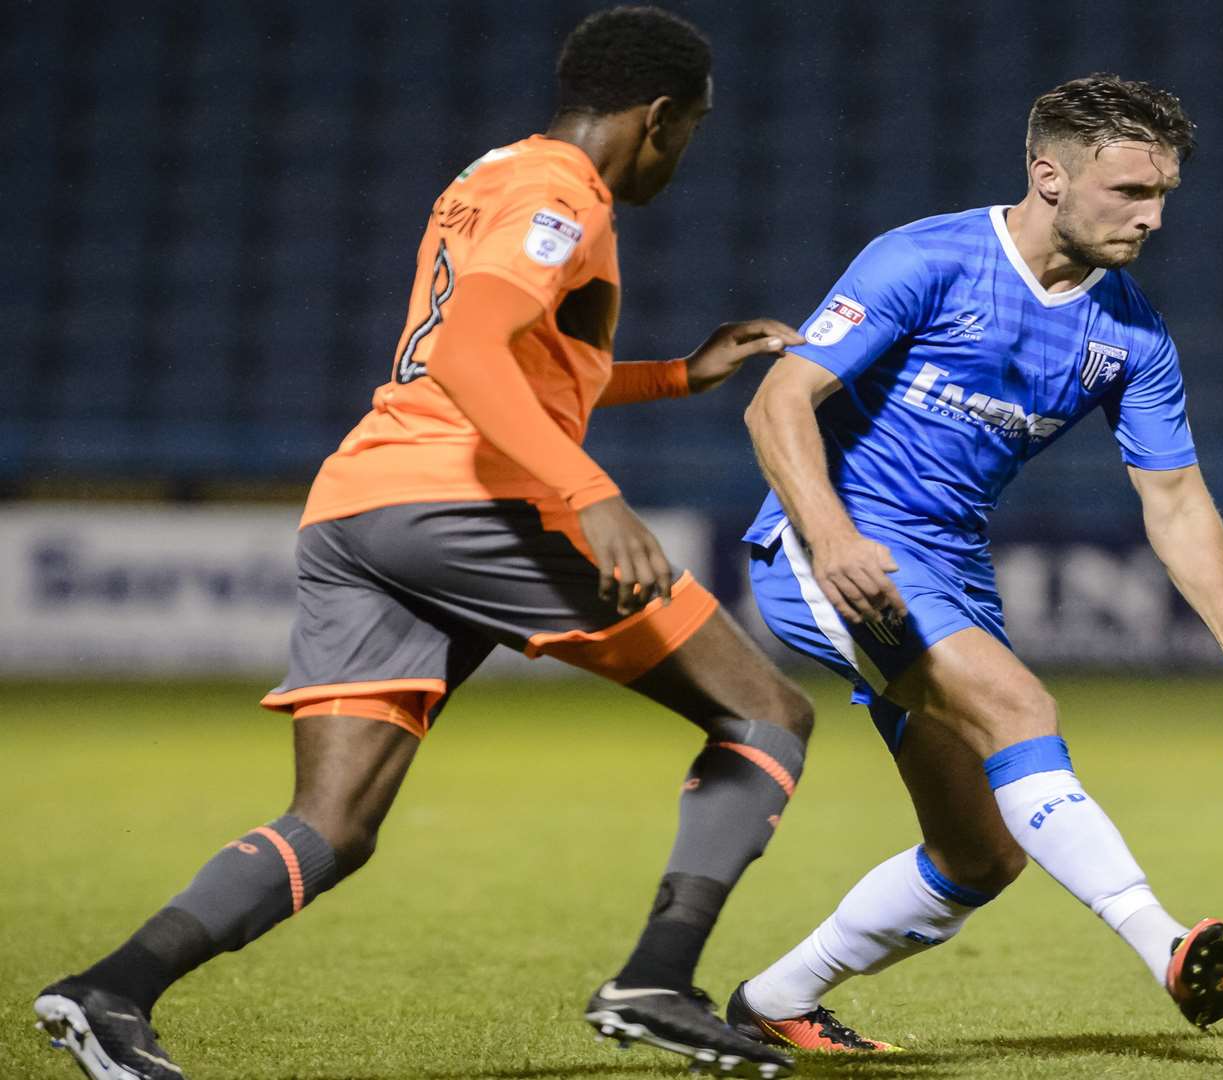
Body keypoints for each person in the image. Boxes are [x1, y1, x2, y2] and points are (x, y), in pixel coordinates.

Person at [33, 8, 809, 1079]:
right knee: (766, 710)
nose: (686, 155)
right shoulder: (557, 195)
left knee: (333, 824)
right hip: (470, 507)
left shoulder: (489, 175)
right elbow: (466, 352)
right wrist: (589, 495)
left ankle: (108, 992)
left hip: (362, 509)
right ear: (659, 116)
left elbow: (518, 366)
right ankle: (657, 978)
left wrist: (678, 374)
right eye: (692, 132)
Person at [727, 73, 1223, 1054]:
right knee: (1022, 712)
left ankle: (774, 1000)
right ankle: (1163, 942)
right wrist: (829, 535)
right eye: (1130, 192)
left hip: (950, 574)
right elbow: (777, 402)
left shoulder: (1132, 335)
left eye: (1163, 195)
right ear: (1050, 176)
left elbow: (1175, 499)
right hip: (832, 554)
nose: (1153, 217)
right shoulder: (927, 259)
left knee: (979, 856)